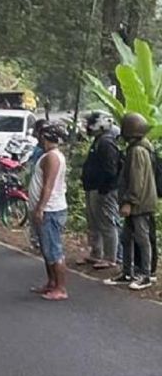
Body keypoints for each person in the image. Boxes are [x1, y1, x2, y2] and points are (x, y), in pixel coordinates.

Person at [106, 113, 157, 290]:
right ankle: (128, 272)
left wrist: (129, 201)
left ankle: (146, 275)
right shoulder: (140, 148)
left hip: (139, 204)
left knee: (142, 239)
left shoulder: (137, 151)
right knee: (127, 238)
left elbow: (137, 180)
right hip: (138, 202)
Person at [29, 122, 69, 301]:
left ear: (44, 137)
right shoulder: (51, 155)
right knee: (47, 249)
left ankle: (60, 287)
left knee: (53, 250)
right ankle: (51, 282)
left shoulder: (52, 157)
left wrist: (40, 208)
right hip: (49, 208)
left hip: (51, 209)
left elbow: (48, 186)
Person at [80, 111, 121, 270]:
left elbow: (111, 170)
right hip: (94, 187)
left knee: (107, 222)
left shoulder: (106, 142)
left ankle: (110, 257)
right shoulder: (99, 140)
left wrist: (105, 188)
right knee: (94, 222)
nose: (88, 126)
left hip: (103, 190)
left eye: (91, 123)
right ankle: (96, 252)